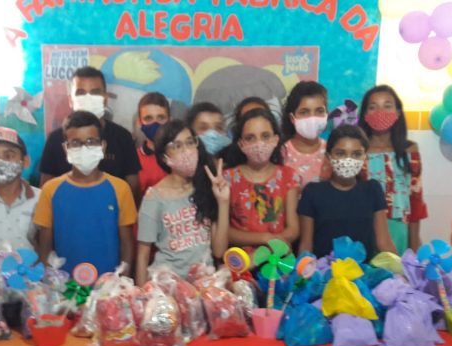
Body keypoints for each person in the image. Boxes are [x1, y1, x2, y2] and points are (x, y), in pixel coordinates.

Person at [34, 111, 136, 276]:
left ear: (103, 146)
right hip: (64, 285)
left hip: (108, 284)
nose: (84, 148)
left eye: (91, 142)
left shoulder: (120, 188)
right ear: (66, 148)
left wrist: (123, 280)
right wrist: (51, 282)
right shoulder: (50, 190)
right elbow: (45, 248)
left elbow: (127, 243)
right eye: (75, 143)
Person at [136, 120, 230, 285]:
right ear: (164, 157)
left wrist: (223, 202)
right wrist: (142, 295)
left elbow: (219, 251)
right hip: (168, 286)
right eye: (177, 146)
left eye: (190, 142)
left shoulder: (206, 187)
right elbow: (143, 254)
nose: (186, 151)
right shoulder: (154, 197)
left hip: (203, 284)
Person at [297, 125, 396, 260]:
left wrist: (403, 269)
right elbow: (306, 245)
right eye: (340, 153)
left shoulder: (372, 189)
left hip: (364, 270)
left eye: (356, 154)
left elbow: (384, 243)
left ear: (365, 157)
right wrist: (303, 269)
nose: (348, 160)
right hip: (324, 270)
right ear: (328, 157)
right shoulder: (312, 192)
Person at [38, 66, 140, 196]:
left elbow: (132, 188)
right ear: (70, 100)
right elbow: (45, 188)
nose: (88, 98)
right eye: (81, 93)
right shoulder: (55, 139)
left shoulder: (123, 137)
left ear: (105, 99)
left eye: (95, 92)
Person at [358, 84, 428, 253]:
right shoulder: (358, 152)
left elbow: (415, 200)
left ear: (397, 112)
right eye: (373, 107)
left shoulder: (409, 151)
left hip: (399, 231)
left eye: (387, 106)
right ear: (365, 114)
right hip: (364, 229)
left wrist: (414, 248)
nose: (380, 112)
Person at [223, 108, 299, 251]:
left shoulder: (289, 177)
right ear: (241, 143)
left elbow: (293, 229)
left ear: (276, 139)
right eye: (250, 138)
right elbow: (224, 231)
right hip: (240, 259)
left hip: (277, 256)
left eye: (265, 136)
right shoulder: (227, 178)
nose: (259, 143)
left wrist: (271, 247)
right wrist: (265, 238)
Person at [281, 81, 331, 189]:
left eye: (319, 111)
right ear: (292, 118)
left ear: (326, 114)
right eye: (304, 112)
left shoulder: (332, 151)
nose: (312, 118)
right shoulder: (281, 152)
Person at [136, 92, 170, 197]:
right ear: (139, 122)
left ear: (170, 120)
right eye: (148, 118)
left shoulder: (181, 155)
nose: (155, 123)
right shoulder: (133, 160)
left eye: (161, 118)